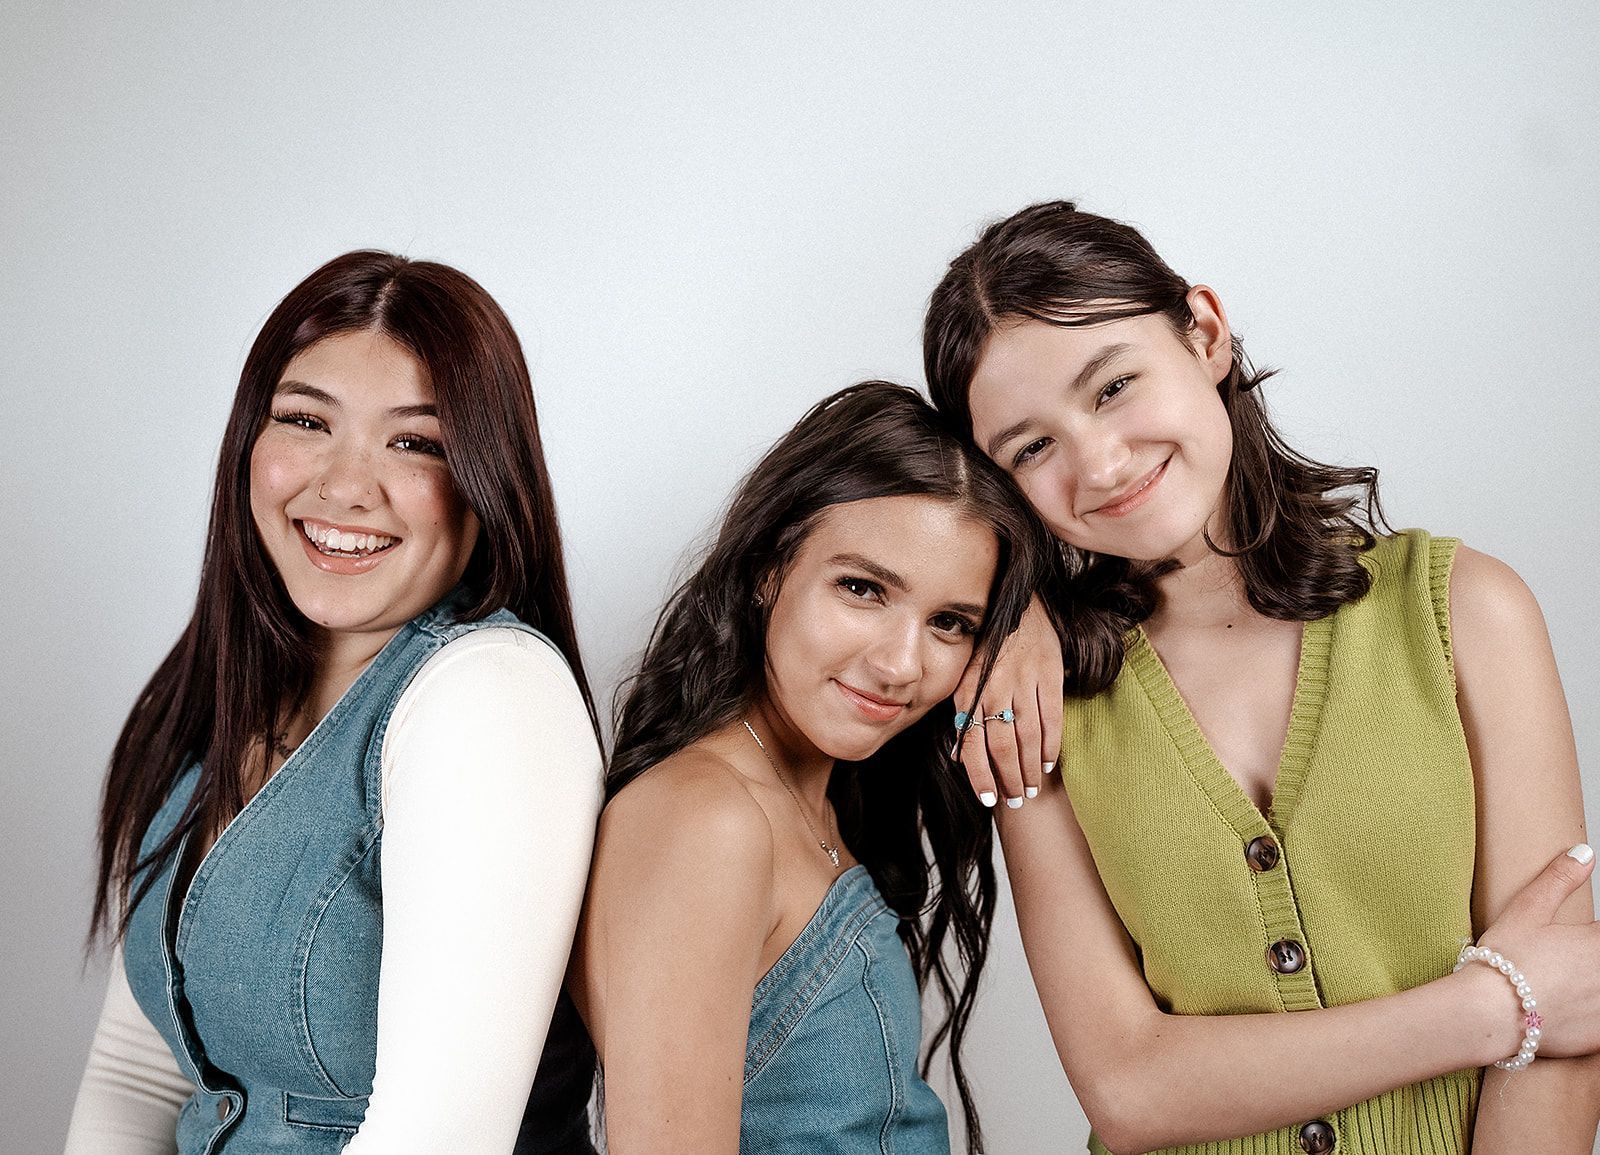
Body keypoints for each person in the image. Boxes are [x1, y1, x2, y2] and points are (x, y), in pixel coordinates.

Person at [922, 201, 1600, 1154]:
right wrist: (1496, 1008)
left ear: (1203, 332)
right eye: (1031, 447)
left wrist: (1534, 1009)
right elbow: (1129, 1088)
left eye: (1113, 386)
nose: (1100, 463)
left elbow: (1571, 1024)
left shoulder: (1464, 612)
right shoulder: (1035, 707)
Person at [65, 251, 603, 1154]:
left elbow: (440, 1137)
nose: (346, 485)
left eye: (414, 441)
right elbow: (138, 1074)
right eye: (306, 420)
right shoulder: (224, 696)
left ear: (485, 479)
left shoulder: (491, 696)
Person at [571, 382, 1050, 1154]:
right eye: (862, 588)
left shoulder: (818, 800)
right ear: (770, 568)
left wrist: (1034, 620)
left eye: (950, 623)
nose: (901, 663)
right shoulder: (708, 817)